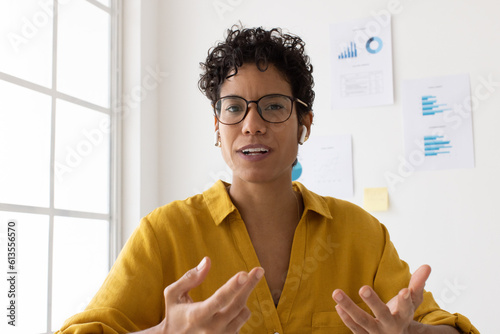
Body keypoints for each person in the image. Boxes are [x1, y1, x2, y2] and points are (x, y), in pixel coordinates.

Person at [56, 25, 479, 334]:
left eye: (274, 107)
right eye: (234, 107)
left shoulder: (361, 234)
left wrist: (413, 333)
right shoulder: (163, 233)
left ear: (304, 124)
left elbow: (441, 326)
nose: (252, 125)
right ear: (217, 125)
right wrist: (164, 333)